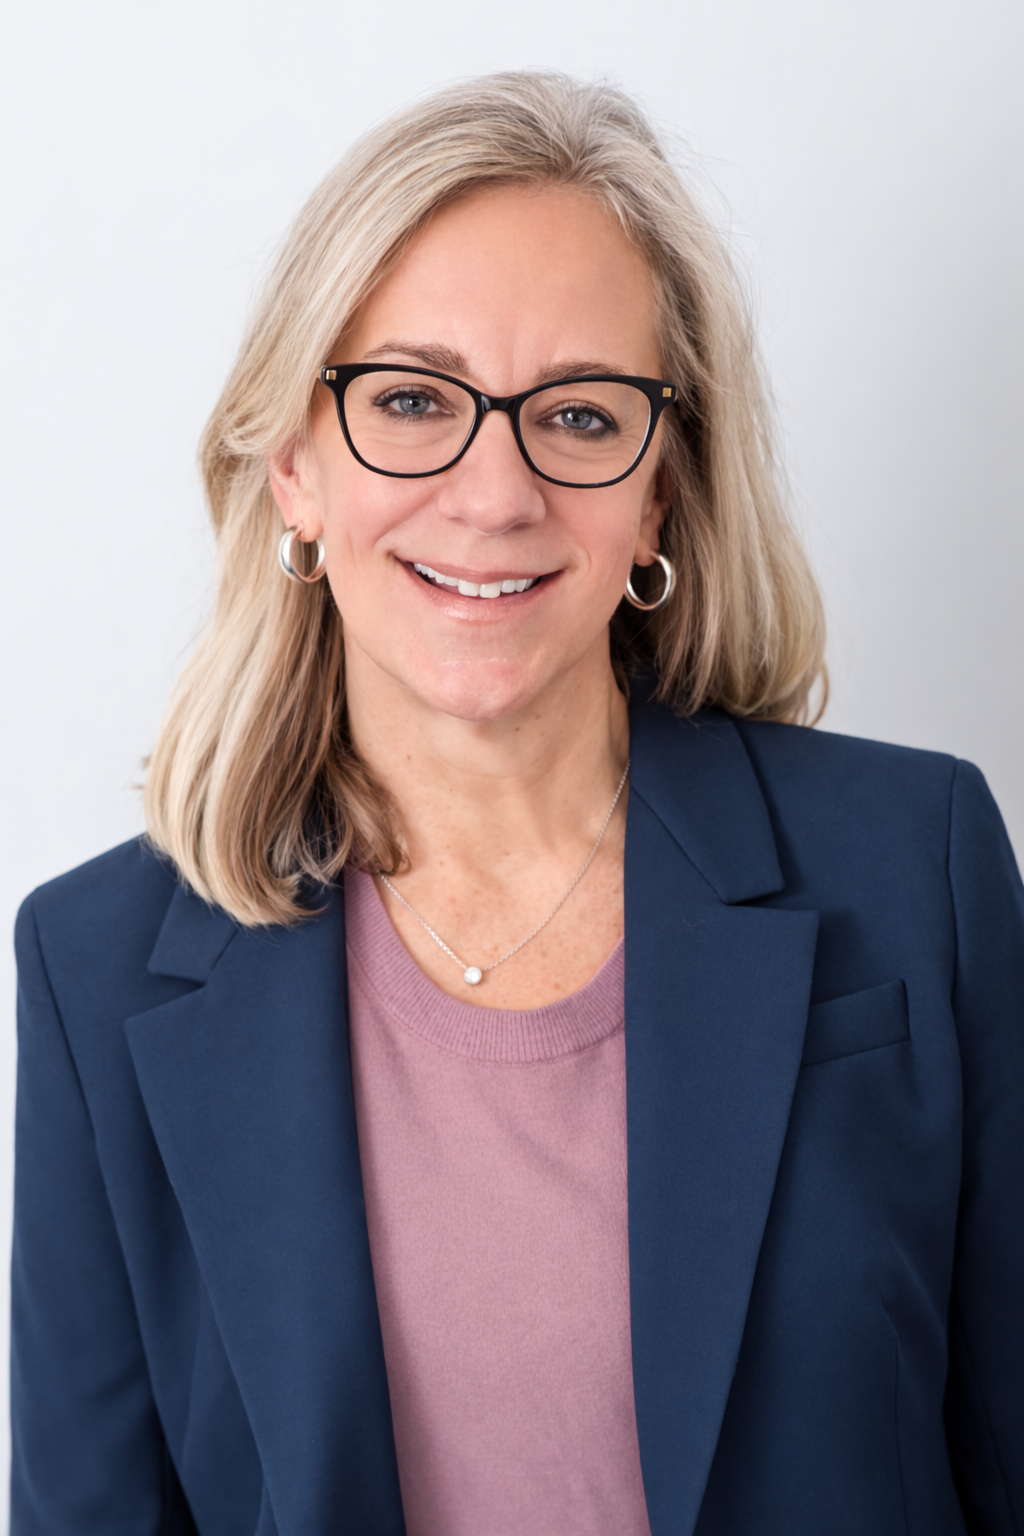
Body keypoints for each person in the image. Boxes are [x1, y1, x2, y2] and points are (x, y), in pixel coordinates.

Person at [10, 71, 1023, 1536]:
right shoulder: (96, 972)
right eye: (411, 400)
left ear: (658, 493)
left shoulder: (914, 871)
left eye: (579, 413)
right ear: (293, 467)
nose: (495, 494)